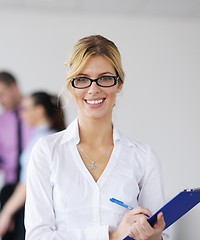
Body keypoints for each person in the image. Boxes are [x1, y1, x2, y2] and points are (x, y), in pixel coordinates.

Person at [25, 35, 168, 240]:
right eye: (82, 79)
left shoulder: (144, 158)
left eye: (105, 78)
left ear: (119, 84)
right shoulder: (47, 151)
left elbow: (160, 233)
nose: (93, 89)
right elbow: (37, 236)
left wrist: (154, 237)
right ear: (71, 86)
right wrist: (111, 236)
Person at [0, 91, 66, 238]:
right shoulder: (52, 137)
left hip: (38, 212)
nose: (22, 114)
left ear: (39, 111)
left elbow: (26, 184)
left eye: (26, 109)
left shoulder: (41, 142)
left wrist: (6, 213)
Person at [0, 71, 34, 240]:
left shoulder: (35, 113)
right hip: (9, 188)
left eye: (1, 94)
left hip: (34, 189)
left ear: (14, 87)